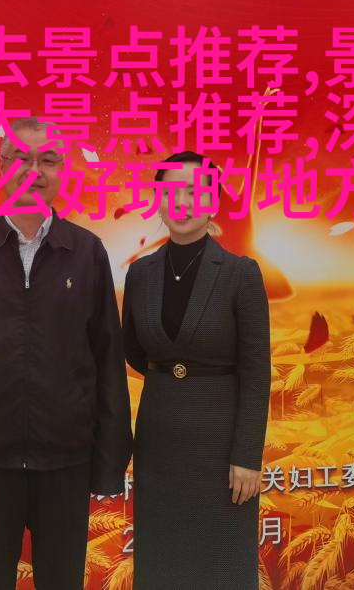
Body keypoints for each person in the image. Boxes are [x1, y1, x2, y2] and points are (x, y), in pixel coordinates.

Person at [0, 117, 132, 590]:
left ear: (62, 171)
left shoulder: (86, 252)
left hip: (66, 462)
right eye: (21, 159)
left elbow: (107, 362)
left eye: (47, 160)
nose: (34, 171)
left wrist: (109, 461)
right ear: (1, 167)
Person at [121, 151, 271, 589]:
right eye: (171, 191)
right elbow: (135, 352)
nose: (182, 201)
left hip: (220, 446)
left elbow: (257, 373)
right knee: (162, 562)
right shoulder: (141, 274)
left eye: (194, 191)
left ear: (213, 201)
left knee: (221, 563)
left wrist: (247, 456)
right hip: (159, 442)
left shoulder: (241, 273)